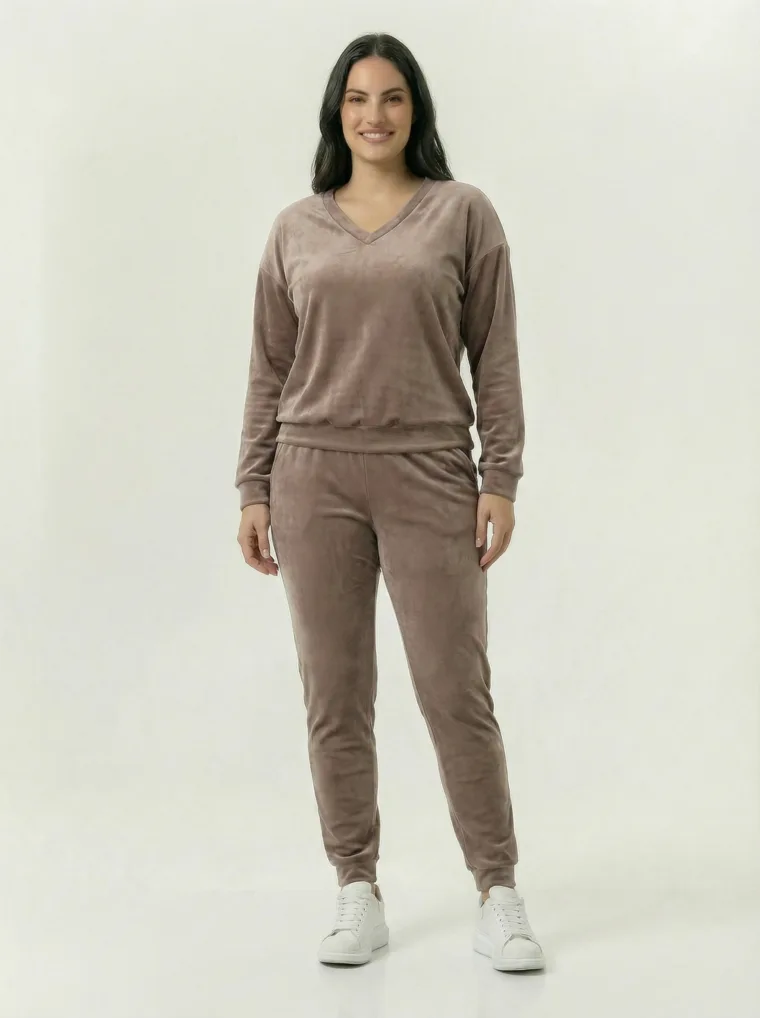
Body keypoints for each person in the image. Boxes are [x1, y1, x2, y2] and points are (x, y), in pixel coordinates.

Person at [234, 32, 545, 972]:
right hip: (312, 475)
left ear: (417, 110)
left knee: (455, 690)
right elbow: (269, 367)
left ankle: (498, 891)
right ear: (337, 113)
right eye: (358, 99)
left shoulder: (462, 213)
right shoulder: (296, 228)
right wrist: (253, 485)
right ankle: (356, 888)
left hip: (429, 472)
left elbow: (495, 355)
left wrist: (500, 477)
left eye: (393, 97)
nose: (375, 115)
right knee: (335, 694)